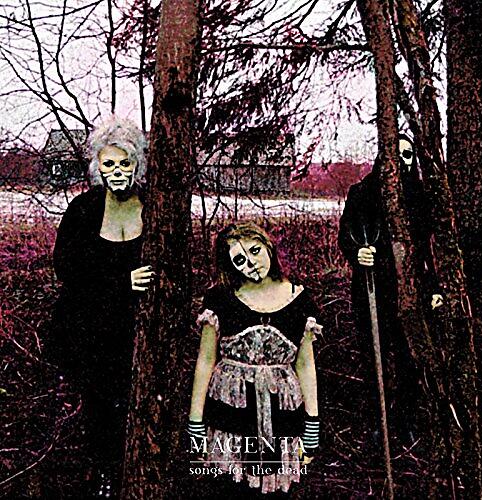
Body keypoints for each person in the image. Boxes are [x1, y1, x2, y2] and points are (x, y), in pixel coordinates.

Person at [48, 116, 153, 497]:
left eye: (125, 162)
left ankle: (136, 468)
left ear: (137, 164)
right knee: (99, 405)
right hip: (89, 326)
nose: (117, 171)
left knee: (135, 402)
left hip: (136, 327)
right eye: (109, 163)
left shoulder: (153, 207)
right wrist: (120, 281)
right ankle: (104, 474)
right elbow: (66, 267)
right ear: (97, 166)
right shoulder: (84, 209)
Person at [188, 222, 323, 495]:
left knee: (275, 488)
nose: (251, 263)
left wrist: (312, 424)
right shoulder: (220, 299)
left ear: (268, 247)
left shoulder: (299, 299)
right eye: (239, 259)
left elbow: (306, 364)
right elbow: (205, 361)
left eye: (255, 250)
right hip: (231, 409)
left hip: (281, 408)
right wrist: (195, 423)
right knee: (230, 487)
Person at [338, 134, 443, 443]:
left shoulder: (420, 199)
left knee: (409, 357)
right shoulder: (362, 193)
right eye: (395, 154)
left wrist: (434, 288)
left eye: (407, 155)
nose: (401, 161)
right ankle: (378, 419)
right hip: (371, 289)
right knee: (375, 358)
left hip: (410, 291)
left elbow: (428, 251)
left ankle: (406, 418)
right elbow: (346, 234)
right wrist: (358, 252)